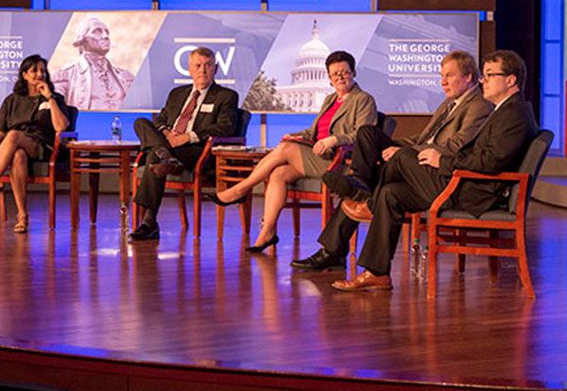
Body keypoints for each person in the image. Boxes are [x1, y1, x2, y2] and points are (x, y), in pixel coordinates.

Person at [329, 51, 538, 291]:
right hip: (462, 181)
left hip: (471, 191)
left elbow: (490, 162)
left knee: (403, 157)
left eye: (490, 75)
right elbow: (479, 155)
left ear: (510, 80)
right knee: (390, 192)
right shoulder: (504, 109)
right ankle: (377, 273)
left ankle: (367, 199)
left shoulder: (514, 114)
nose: (484, 80)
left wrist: (443, 162)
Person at [293, 51, 492, 271]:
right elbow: (422, 138)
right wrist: (395, 146)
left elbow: (455, 147)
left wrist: (403, 152)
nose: (443, 82)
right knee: (368, 133)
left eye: (449, 76)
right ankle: (357, 189)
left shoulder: (479, 106)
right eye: (441, 76)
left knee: (365, 187)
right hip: (418, 164)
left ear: (470, 77)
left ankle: (339, 239)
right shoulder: (449, 103)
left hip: (437, 174)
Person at [210, 51, 377, 253]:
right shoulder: (331, 99)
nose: (340, 77)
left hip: (338, 161)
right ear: (329, 78)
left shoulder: (364, 99)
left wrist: (334, 139)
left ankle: (241, 189)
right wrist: (295, 134)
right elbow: (313, 132)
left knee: (286, 150)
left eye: (344, 72)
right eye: (335, 74)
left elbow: (364, 135)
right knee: (278, 174)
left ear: (354, 72)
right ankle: (267, 234)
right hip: (317, 154)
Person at [130, 47, 239, 241]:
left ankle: (149, 222)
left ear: (215, 69)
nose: (203, 71)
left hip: (196, 150)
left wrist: (188, 137)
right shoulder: (177, 94)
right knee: (141, 122)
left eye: (208, 66)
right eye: (198, 66)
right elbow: (159, 120)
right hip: (169, 145)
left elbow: (226, 127)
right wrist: (165, 132)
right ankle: (165, 155)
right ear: (189, 69)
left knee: (154, 157)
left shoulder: (226, 96)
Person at [0, 54, 71, 234]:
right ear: (24, 75)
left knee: (13, 136)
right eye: (34, 70)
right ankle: (22, 216)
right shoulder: (11, 100)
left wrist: (49, 97)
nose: (39, 74)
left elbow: (61, 127)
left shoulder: (55, 98)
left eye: (43, 71)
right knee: (17, 155)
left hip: (44, 146)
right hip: (15, 147)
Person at [50, 17, 135, 110]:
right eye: (97, 31)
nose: (105, 36)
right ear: (82, 38)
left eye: (107, 32)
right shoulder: (66, 76)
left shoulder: (126, 77)